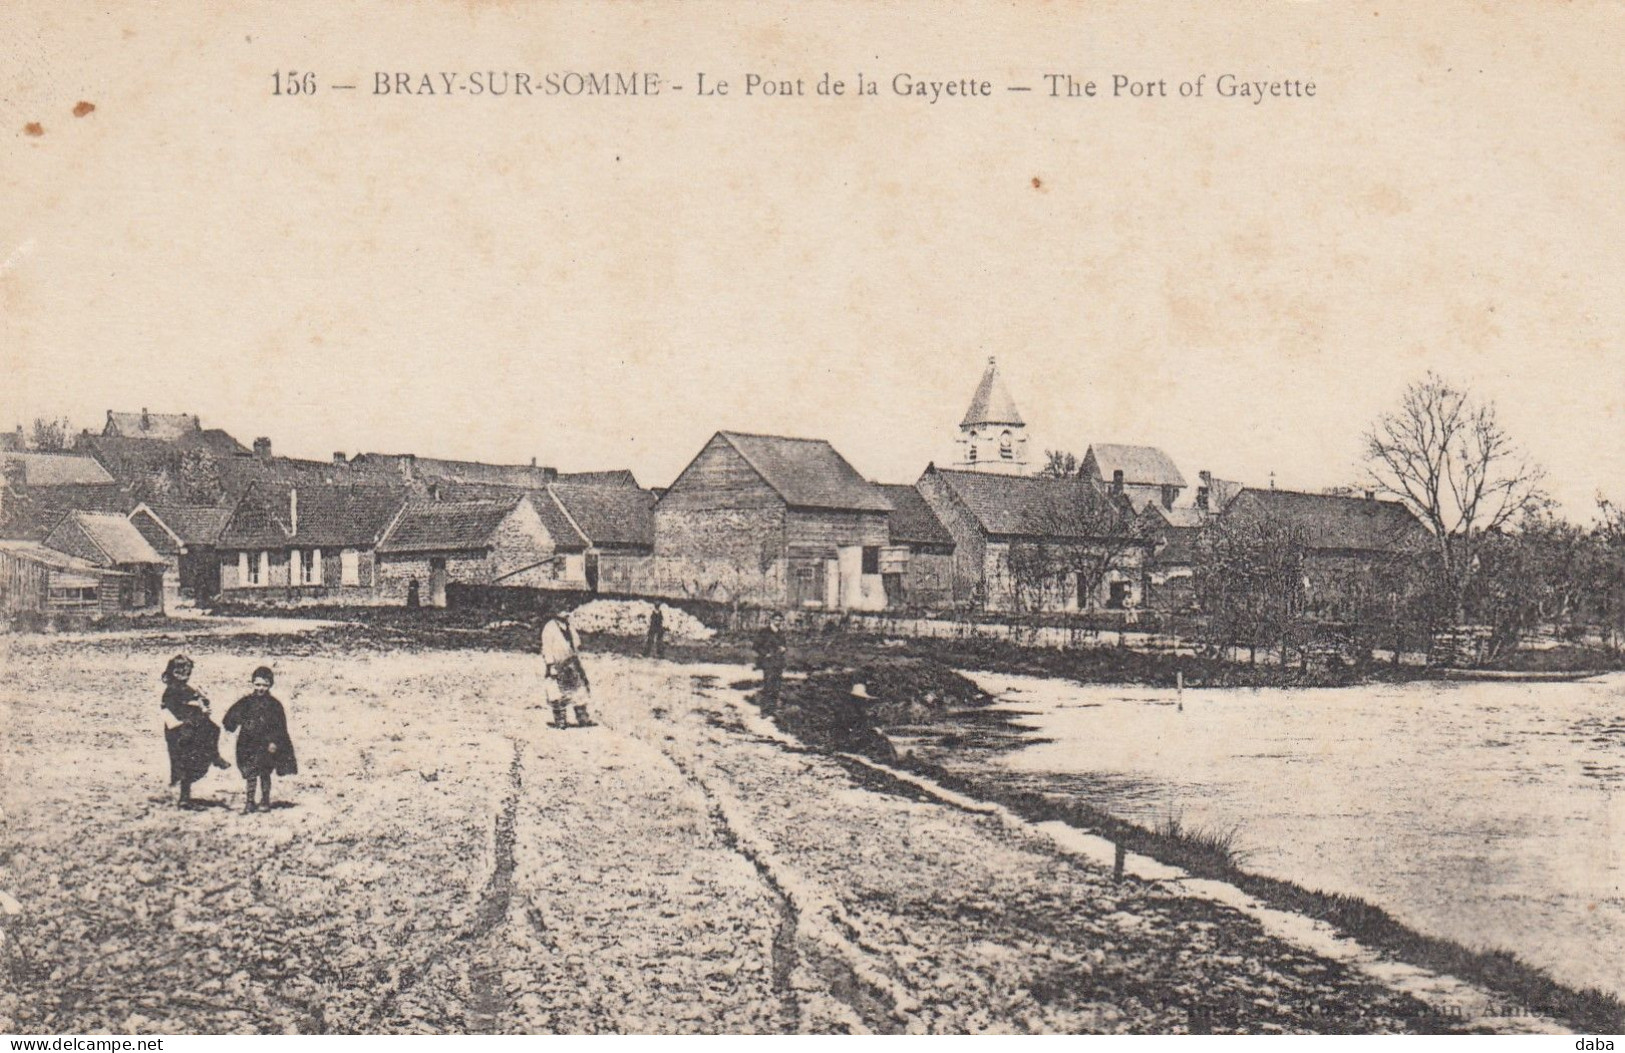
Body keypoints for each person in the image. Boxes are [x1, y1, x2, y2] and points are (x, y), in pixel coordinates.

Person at [222, 666, 298, 814]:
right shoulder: (246, 702)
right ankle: (250, 802)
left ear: (270, 685)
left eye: (264, 685)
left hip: (266, 745)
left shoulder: (275, 705)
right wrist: (230, 725)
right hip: (247, 744)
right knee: (250, 772)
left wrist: (274, 743)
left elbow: (280, 727)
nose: (261, 688)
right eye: (257, 684)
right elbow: (233, 715)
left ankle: (265, 800)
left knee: (265, 772)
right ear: (252, 684)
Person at [160, 654, 229, 809]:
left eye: (187, 671)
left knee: (212, 731)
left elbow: (201, 702)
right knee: (185, 761)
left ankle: (214, 755)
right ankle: (184, 798)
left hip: (195, 727)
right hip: (179, 730)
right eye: (179, 671)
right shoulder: (171, 690)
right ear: (172, 672)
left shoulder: (188, 688)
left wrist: (202, 703)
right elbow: (171, 711)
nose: (183, 674)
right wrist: (193, 708)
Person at [541, 610, 595, 729]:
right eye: (562, 611)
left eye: (567, 611)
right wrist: (551, 666)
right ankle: (560, 720)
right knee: (557, 692)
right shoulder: (550, 627)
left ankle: (582, 718)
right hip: (557, 664)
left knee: (579, 691)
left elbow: (576, 643)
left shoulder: (569, 626)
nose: (566, 613)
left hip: (571, 663)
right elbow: (547, 648)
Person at [754, 612, 788, 712]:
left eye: (780, 620)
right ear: (772, 620)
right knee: (768, 685)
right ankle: (764, 709)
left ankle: (773, 708)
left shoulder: (781, 633)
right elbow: (756, 646)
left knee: (777, 686)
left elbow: (784, 645)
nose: (778, 622)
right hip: (768, 662)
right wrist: (765, 654)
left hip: (778, 662)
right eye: (776, 620)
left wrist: (784, 648)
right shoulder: (764, 632)